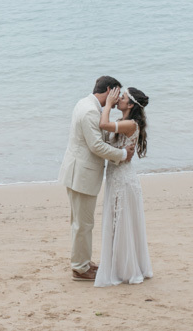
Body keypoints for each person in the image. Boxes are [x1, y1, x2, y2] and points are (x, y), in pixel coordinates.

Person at [59, 76, 134, 282]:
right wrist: (122, 155)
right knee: (83, 224)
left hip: (76, 171)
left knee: (81, 222)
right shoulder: (91, 111)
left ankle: (82, 261)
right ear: (109, 90)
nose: (118, 98)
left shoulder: (84, 102)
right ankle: (80, 268)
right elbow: (96, 146)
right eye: (116, 93)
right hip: (81, 175)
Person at [94, 85, 153, 287]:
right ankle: (120, 264)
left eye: (123, 97)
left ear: (129, 104)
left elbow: (103, 125)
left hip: (123, 179)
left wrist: (107, 105)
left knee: (122, 221)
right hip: (116, 175)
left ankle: (126, 268)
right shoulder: (123, 122)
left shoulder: (130, 124)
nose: (119, 99)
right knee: (118, 221)